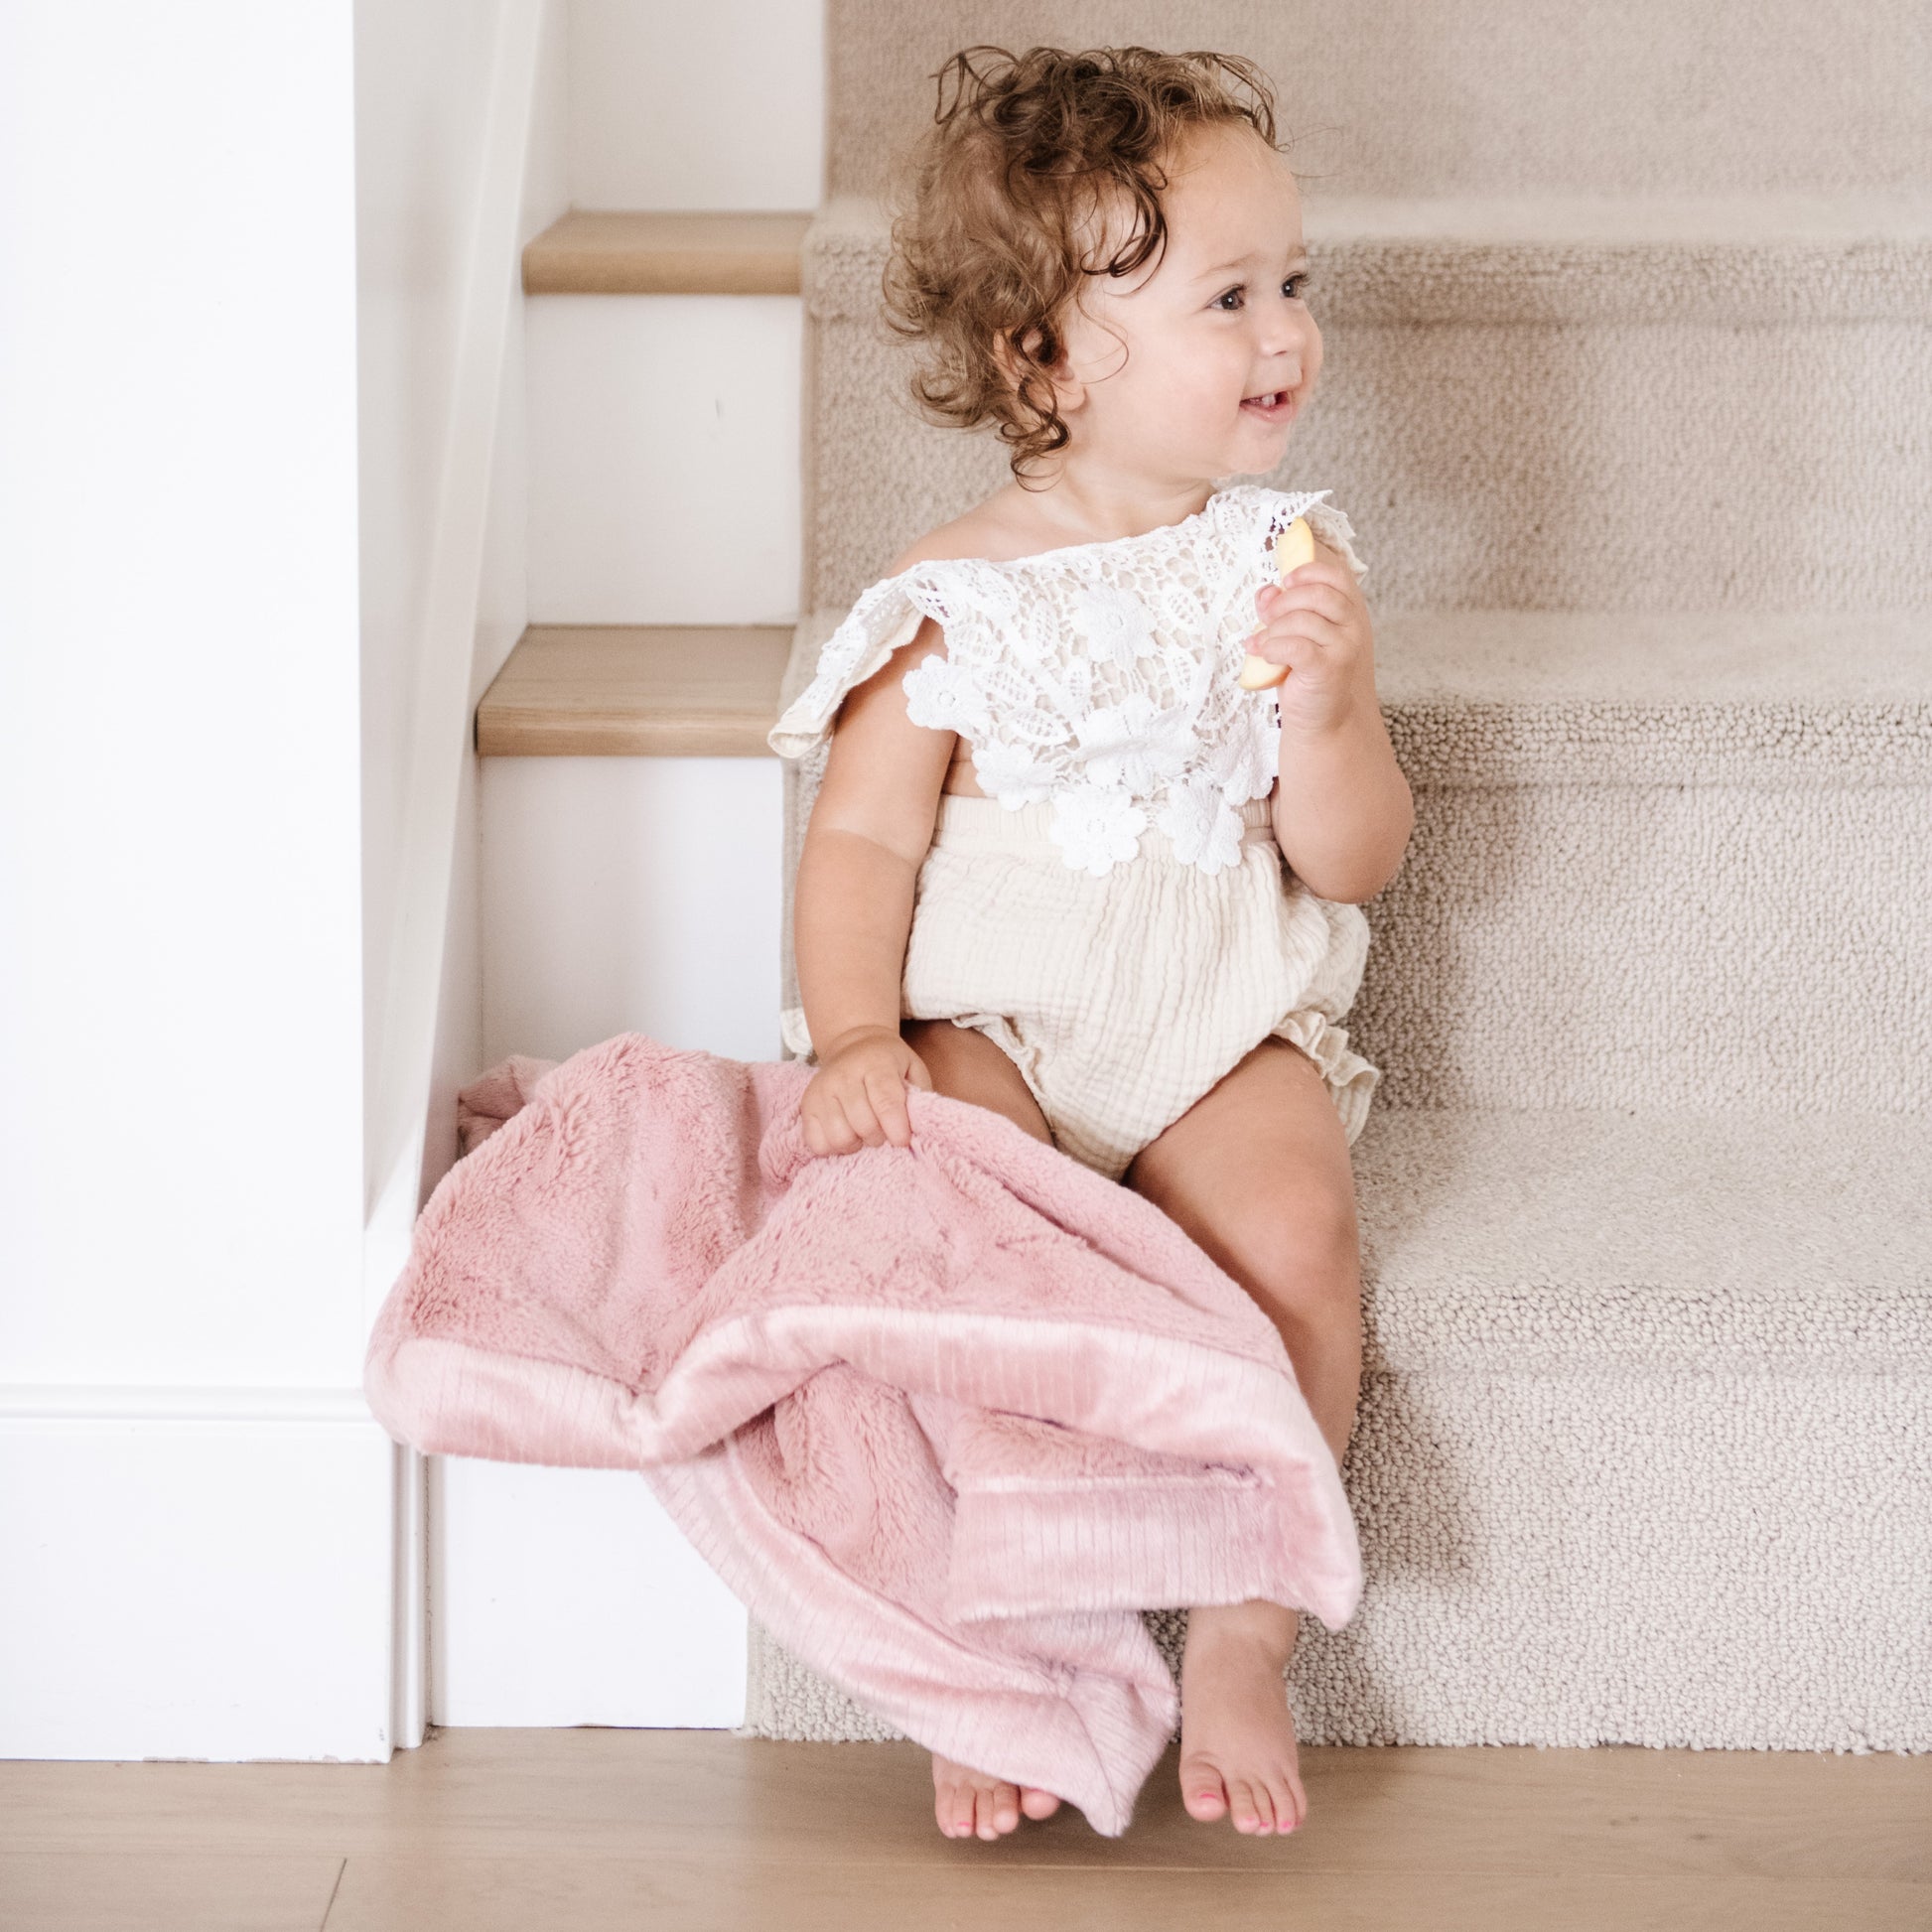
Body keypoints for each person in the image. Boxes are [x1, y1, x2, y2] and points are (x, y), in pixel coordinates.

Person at [765, 44, 1415, 1843]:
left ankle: (1244, 1617)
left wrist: (1340, 708)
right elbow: (863, 841)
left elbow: (1348, 862)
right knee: (956, 1252)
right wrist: (849, 1040)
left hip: (1214, 1013)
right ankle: (1011, 1643)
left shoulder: (1287, 561)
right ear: (1041, 356)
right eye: (1226, 297)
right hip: (999, 1023)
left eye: (1294, 284)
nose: (1281, 330)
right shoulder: (950, 602)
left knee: (1295, 1229)